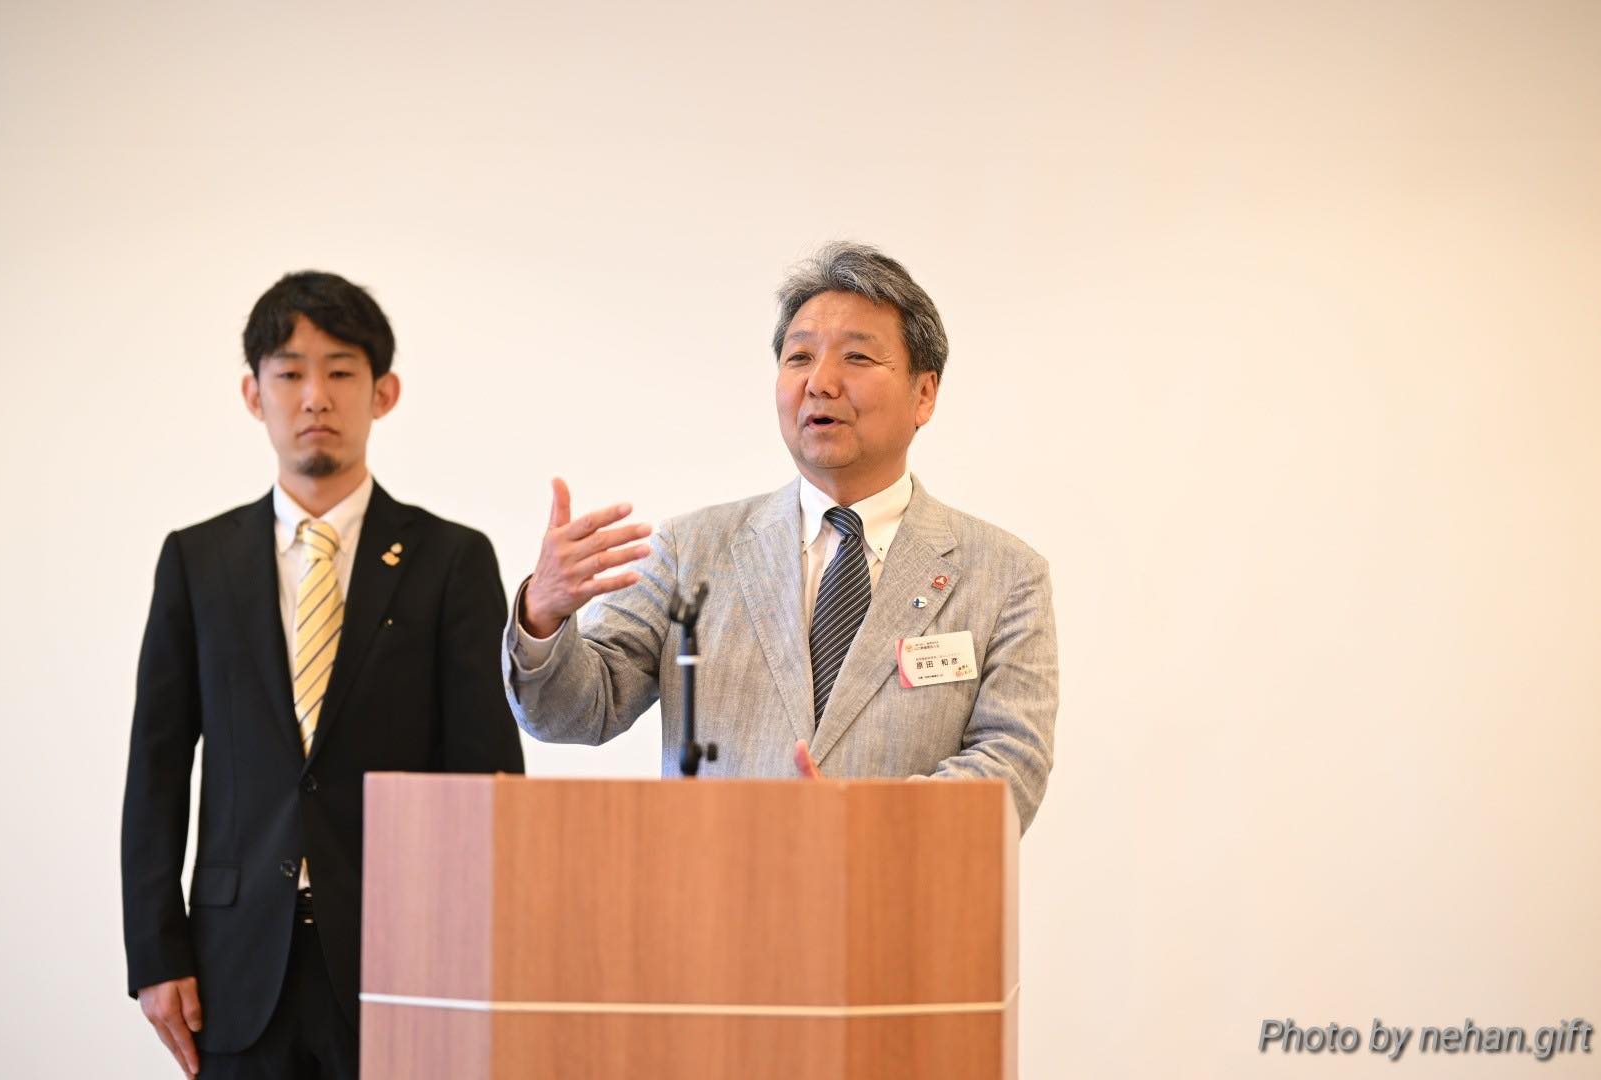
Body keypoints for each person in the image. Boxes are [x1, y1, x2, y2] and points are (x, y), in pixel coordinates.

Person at [121, 271, 525, 1078]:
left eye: (341, 371)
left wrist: (481, 947)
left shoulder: (450, 559)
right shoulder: (197, 561)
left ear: (383, 393)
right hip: (233, 960)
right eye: (289, 373)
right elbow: (157, 766)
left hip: (404, 955)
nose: (315, 397)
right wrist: (154, 952)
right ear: (253, 394)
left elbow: (484, 774)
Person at [503, 242, 1056, 829]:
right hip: (715, 878)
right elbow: (573, 713)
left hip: (899, 882)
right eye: (799, 358)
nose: (820, 382)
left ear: (924, 394)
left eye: (857, 357)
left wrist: (862, 822)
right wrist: (543, 615)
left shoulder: (1006, 575)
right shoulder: (691, 552)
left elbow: (1012, 765)